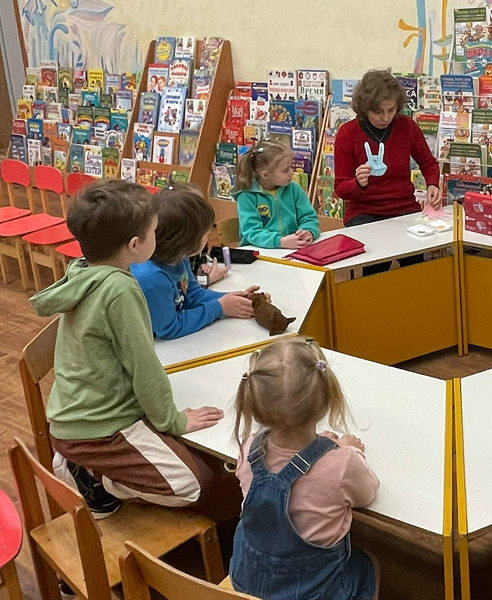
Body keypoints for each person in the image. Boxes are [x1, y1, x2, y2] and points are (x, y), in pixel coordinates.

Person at [30, 180, 224, 517]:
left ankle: (89, 467)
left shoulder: (85, 270)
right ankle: (92, 477)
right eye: (154, 231)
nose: (158, 236)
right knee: (197, 484)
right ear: (135, 245)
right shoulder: (120, 290)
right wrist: (174, 421)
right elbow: (144, 368)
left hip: (77, 418)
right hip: (96, 433)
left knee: (192, 461)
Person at [230, 338, 380, 600]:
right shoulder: (343, 464)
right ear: (327, 400)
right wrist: (349, 450)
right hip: (313, 594)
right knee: (368, 565)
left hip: (247, 585)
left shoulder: (249, 449)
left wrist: (322, 448)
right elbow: (368, 493)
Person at [334, 69, 442, 274]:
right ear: (364, 108)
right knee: (376, 266)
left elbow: (429, 163)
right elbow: (340, 189)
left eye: (391, 110)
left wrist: (432, 184)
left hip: (404, 209)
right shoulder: (347, 133)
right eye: (378, 112)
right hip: (364, 212)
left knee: (416, 265)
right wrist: (358, 183)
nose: (385, 118)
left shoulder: (407, 126)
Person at [132, 183, 262, 340]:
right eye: (206, 235)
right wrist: (219, 307)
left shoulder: (179, 257)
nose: (208, 239)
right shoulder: (151, 278)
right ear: (186, 242)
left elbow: (192, 295)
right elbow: (170, 327)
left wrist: (235, 300)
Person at [234, 139, 321, 249]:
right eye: (285, 170)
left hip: (292, 249)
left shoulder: (294, 189)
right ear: (265, 175)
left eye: (291, 167)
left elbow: (308, 217)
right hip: (259, 251)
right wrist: (280, 241)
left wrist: (308, 231)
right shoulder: (247, 197)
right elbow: (252, 231)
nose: (292, 172)